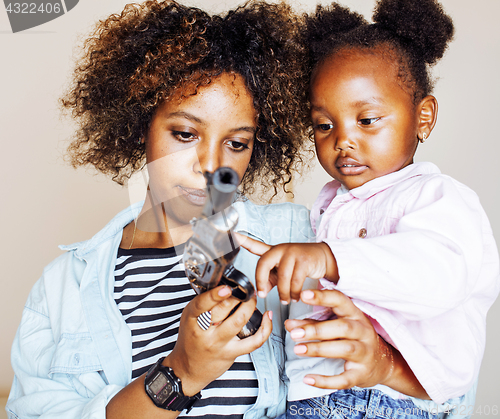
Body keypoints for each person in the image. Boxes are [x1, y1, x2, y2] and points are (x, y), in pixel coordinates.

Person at [5, 1, 460, 418]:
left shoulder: (306, 240)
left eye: (237, 143)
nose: (211, 166)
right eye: (185, 134)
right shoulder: (63, 289)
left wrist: (383, 366)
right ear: (139, 122)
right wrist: (181, 373)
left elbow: (447, 371)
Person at [239, 0, 500, 417]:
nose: (343, 140)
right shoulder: (328, 206)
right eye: (324, 125)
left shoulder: (437, 197)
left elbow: (437, 275)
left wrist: (328, 258)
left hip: (387, 402)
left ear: (423, 117)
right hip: (306, 400)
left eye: (367, 120)